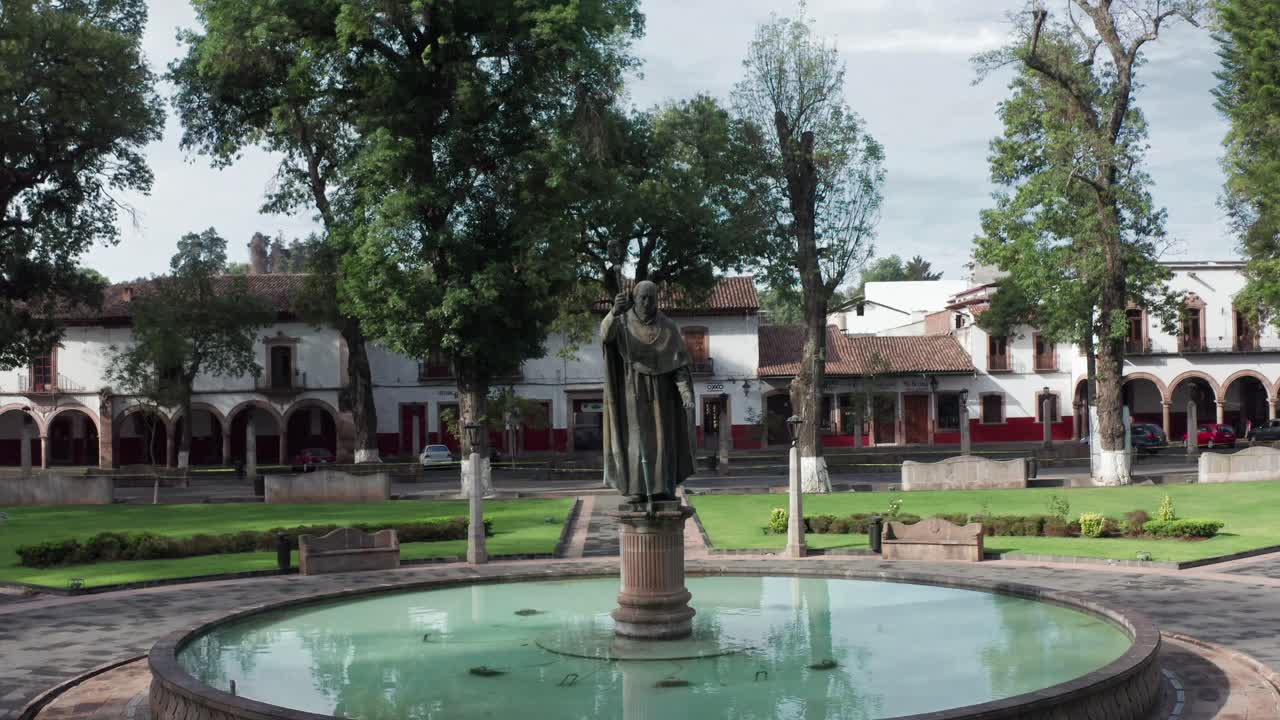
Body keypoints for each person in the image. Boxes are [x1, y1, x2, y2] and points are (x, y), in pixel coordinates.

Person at [600, 280, 696, 504]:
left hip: (662, 394)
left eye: (651, 297)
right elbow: (605, 336)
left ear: (657, 300)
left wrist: (686, 395)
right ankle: (636, 489)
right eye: (642, 297)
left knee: (663, 440)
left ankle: (663, 487)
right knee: (636, 439)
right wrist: (614, 311)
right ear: (634, 298)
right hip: (632, 391)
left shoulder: (668, 327)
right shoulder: (622, 322)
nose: (646, 302)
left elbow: (679, 366)